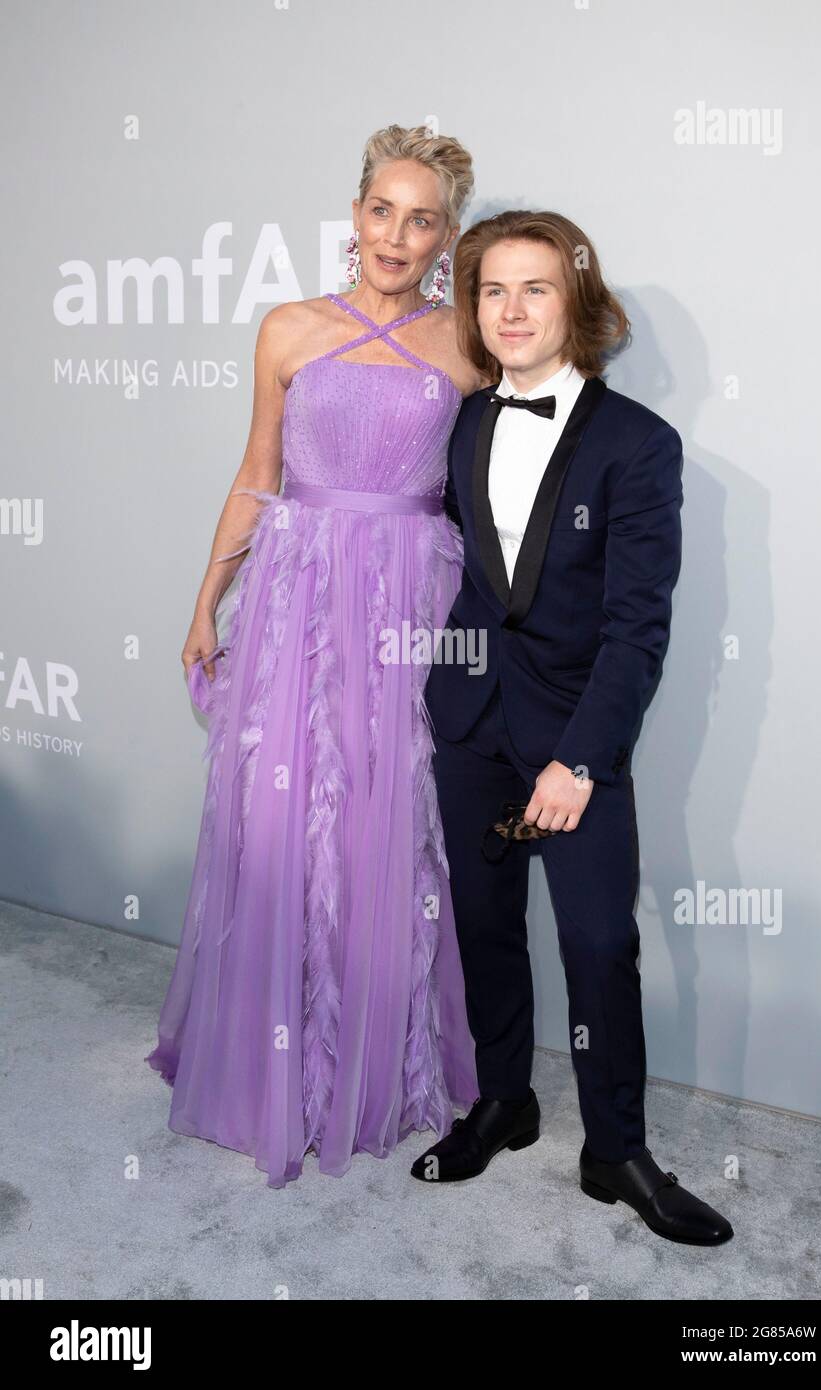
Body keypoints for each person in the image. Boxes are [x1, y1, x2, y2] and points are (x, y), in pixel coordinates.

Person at [146, 125, 488, 1187]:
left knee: (391, 833)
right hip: (293, 601)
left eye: (420, 217)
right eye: (380, 210)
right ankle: (266, 1064)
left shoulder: (467, 344)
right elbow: (257, 471)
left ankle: (372, 1066)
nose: (396, 233)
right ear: (354, 216)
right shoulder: (288, 328)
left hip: (408, 604)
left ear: (446, 235)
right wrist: (208, 597)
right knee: (280, 824)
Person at [415, 211, 733, 1245]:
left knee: (599, 944)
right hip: (468, 722)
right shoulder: (461, 421)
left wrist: (579, 757)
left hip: (574, 738)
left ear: (575, 304)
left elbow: (637, 628)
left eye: (534, 289)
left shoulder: (638, 445)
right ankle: (502, 1100)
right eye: (491, 290)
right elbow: (469, 580)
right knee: (481, 928)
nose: (509, 310)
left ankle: (616, 1150)